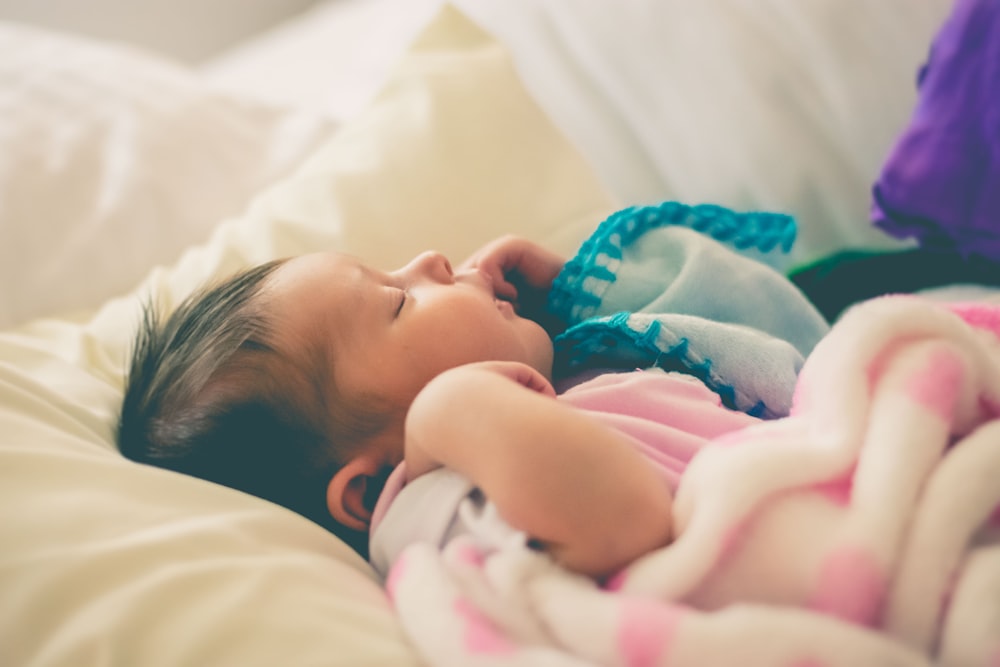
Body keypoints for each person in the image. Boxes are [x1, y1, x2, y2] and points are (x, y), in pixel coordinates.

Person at [119, 203, 826, 579]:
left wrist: (578, 298)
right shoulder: (432, 513)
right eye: (396, 302)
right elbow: (621, 522)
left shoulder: (562, 388)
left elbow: (782, 344)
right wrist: (445, 410)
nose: (428, 260)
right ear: (365, 495)